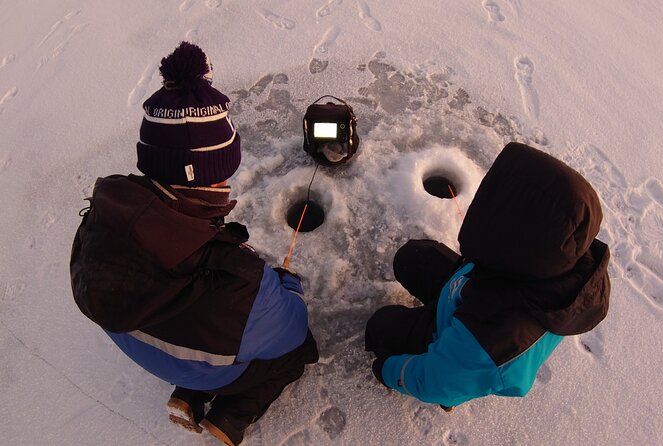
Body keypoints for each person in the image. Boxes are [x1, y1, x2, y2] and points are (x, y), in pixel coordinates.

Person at [70, 42, 318, 446]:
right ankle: (231, 414)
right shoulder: (239, 281)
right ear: (202, 177)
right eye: (222, 173)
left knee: (212, 330)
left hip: (149, 350)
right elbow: (291, 327)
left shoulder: (98, 221)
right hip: (200, 356)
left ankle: (188, 394)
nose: (226, 182)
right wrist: (287, 285)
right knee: (296, 352)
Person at [365, 142, 610, 410]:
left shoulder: (495, 338)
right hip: (476, 290)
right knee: (412, 257)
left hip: (463, 338)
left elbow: (433, 382)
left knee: (380, 328)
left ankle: (462, 379)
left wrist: (389, 372)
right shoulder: (558, 257)